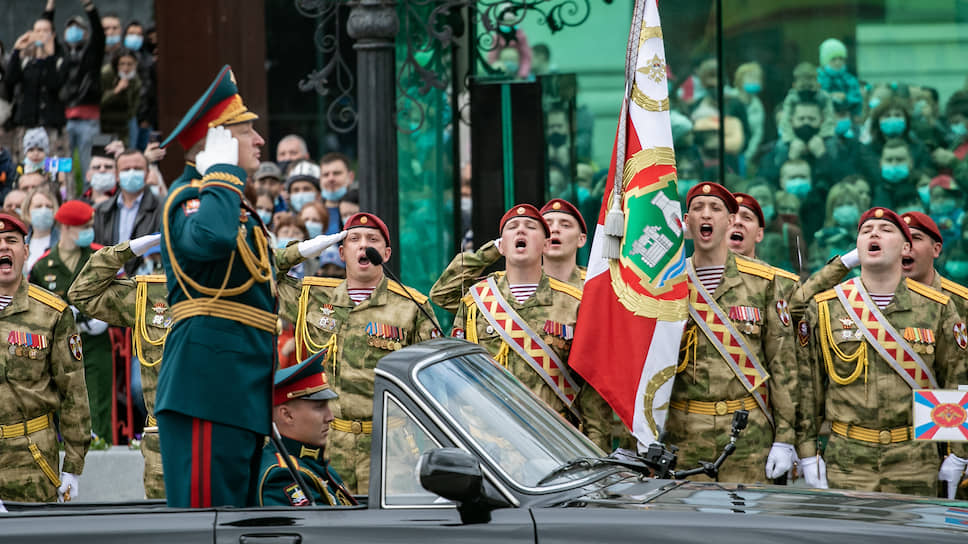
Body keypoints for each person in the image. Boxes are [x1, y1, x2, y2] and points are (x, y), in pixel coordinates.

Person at [156, 65, 275, 508]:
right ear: (220, 141)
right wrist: (222, 174)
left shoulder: (222, 202)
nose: (259, 140)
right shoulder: (190, 199)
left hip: (235, 391)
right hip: (206, 391)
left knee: (238, 526)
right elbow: (210, 240)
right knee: (211, 527)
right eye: (246, 131)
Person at [796, 207, 968, 496]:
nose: (874, 233)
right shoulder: (827, 307)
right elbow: (809, 388)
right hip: (847, 460)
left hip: (914, 457)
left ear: (905, 248)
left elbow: (953, 382)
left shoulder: (936, 307)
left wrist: (957, 453)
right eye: (866, 231)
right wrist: (807, 452)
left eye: (886, 230)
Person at [277, 212, 436, 494]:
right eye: (354, 239)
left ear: (385, 254)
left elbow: (432, 383)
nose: (363, 245)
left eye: (372, 240)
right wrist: (302, 250)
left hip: (391, 446)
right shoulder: (312, 298)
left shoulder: (412, 306)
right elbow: (266, 273)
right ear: (340, 252)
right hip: (329, 445)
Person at [449, 204, 614, 452]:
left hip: (554, 443)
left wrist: (597, 452)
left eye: (531, 227)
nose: (521, 232)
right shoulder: (476, 302)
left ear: (546, 245)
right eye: (513, 228)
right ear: (501, 246)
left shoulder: (576, 304)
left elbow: (593, 389)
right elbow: (458, 379)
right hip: (489, 446)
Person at [665, 183, 798, 484]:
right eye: (698, 209)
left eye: (715, 209)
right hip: (683, 434)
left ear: (729, 220)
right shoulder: (667, 284)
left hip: (747, 437)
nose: (706, 215)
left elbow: (784, 368)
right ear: (687, 222)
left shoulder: (765, 283)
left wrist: (785, 439)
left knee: (747, 528)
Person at [67, 233, 167, 498]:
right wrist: (129, 249)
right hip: (166, 441)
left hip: (221, 432)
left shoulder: (237, 290)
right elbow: (82, 293)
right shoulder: (150, 293)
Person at [0, 212, 90, 503]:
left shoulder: (52, 313)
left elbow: (74, 391)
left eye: (11, 241)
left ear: (26, 251)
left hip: (32, 459)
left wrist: (73, 468)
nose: (4, 248)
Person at [28, 200, 112, 438]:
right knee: (65, 406)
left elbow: (119, 296)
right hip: (60, 347)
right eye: (84, 227)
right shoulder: (43, 266)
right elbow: (34, 310)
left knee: (98, 405)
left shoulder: (101, 257)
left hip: (95, 345)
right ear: (65, 227)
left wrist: (106, 317)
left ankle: (103, 454)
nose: (89, 232)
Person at [430, 198, 587, 313]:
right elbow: (443, 295)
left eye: (565, 225)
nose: (554, 230)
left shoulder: (594, 284)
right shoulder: (496, 289)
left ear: (581, 239)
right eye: (548, 224)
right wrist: (491, 252)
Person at [257, 350, 354, 507]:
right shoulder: (283, 476)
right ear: (287, 415)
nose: (330, 417)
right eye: (319, 407)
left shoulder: (311, 463)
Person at [93, 148, 162, 275]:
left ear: (147, 174)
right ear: (117, 175)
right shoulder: (101, 211)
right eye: (126, 169)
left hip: (144, 283)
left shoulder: (161, 208)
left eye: (137, 169)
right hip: (108, 283)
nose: (131, 173)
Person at [57, 1, 106, 176]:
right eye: (69, 28)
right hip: (62, 121)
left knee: (90, 165)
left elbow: (99, 34)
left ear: (86, 33)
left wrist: (90, 8)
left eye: (77, 28)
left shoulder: (92, 53)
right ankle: (63, 197)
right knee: (62, 168)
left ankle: (90, 196)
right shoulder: (59, 55)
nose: (73, 31)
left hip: (89, 120)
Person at [99, 48, 141, 145]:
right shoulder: (106, 74)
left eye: (129, 64)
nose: (126, 68)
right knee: (103, 157)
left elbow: (133, 109)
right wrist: (116, 91)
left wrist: (126, 90)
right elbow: (99, 102)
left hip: (123, 125)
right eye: (122, 64)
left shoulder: (135, 80)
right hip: (103, 125)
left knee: (124, 156)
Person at [319, 153, 354, 234]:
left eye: (336, 173)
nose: (331, 178)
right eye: (325, 175)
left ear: (351, 177)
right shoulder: (312, 214)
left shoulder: (363, 208)